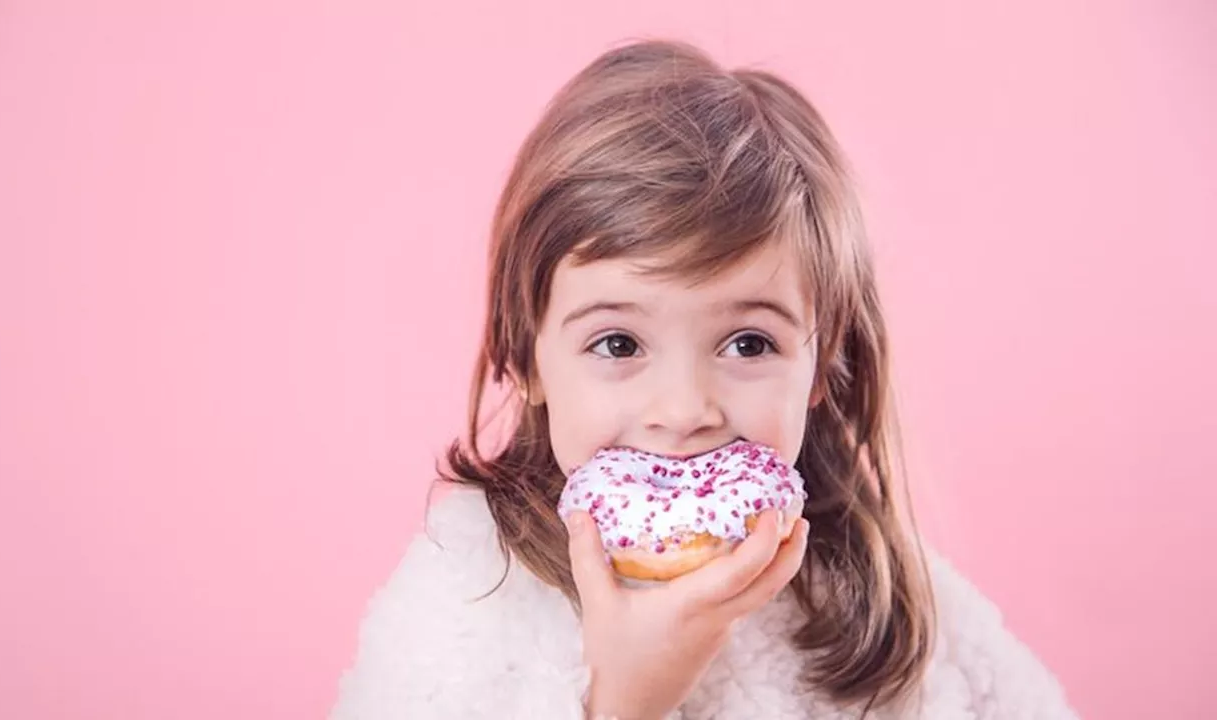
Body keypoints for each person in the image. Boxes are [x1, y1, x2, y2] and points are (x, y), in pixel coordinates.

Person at [331, 39, 1077, 719]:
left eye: (749, 343)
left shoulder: (886, 602)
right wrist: (623, 699)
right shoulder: (463, 596)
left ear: (821, 363)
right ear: (527, 358)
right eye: (619, 342)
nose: (684, 409)